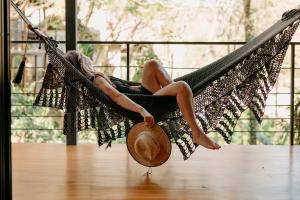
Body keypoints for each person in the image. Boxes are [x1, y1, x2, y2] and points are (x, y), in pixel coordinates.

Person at [65, 50, 221, 150]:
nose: (87, 58)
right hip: (146, 102)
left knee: (151, 65)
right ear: (82, 63)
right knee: (182, 87)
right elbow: (117, 97)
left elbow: (121, 91)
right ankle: (196, 132)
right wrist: (141, 109)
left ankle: (179, 103)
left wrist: (134, 88)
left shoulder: (95, 80)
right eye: (83, 57)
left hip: (143, 93)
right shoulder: (96, 80)